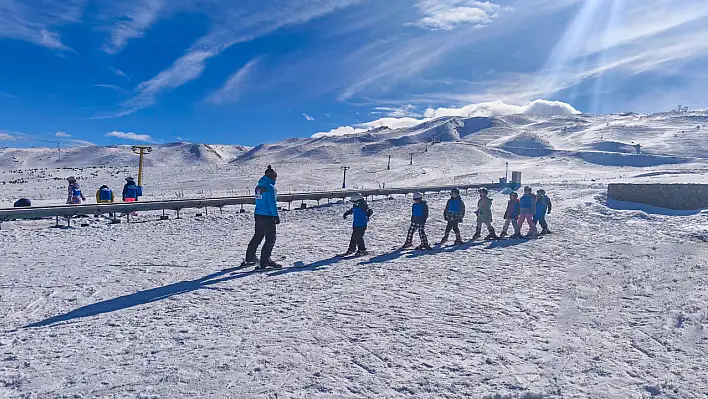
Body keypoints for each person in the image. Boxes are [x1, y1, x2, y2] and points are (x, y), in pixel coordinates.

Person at [244, 165, 282, 270]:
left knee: (258, 236)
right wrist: (275, 215)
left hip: (258, 214)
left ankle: (250, 257)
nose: (275, 179)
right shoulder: (270, 188)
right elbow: (272, 203)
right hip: (268, 216)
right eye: (275, 177)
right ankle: (265, 260)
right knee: (270, 238)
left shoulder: (258, 187)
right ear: (272, 177)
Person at [339, 193, 374, 257]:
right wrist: (346, 213)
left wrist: (367, 215)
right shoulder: (356, 205)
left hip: (362, 225)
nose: (353, 203)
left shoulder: (363, 205)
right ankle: (351, 249)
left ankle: (362, 250)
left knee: (359, 237)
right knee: (354, 238)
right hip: (356, 224)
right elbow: (352, 210)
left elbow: (370, 211)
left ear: (358, 200)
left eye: (354, 202)